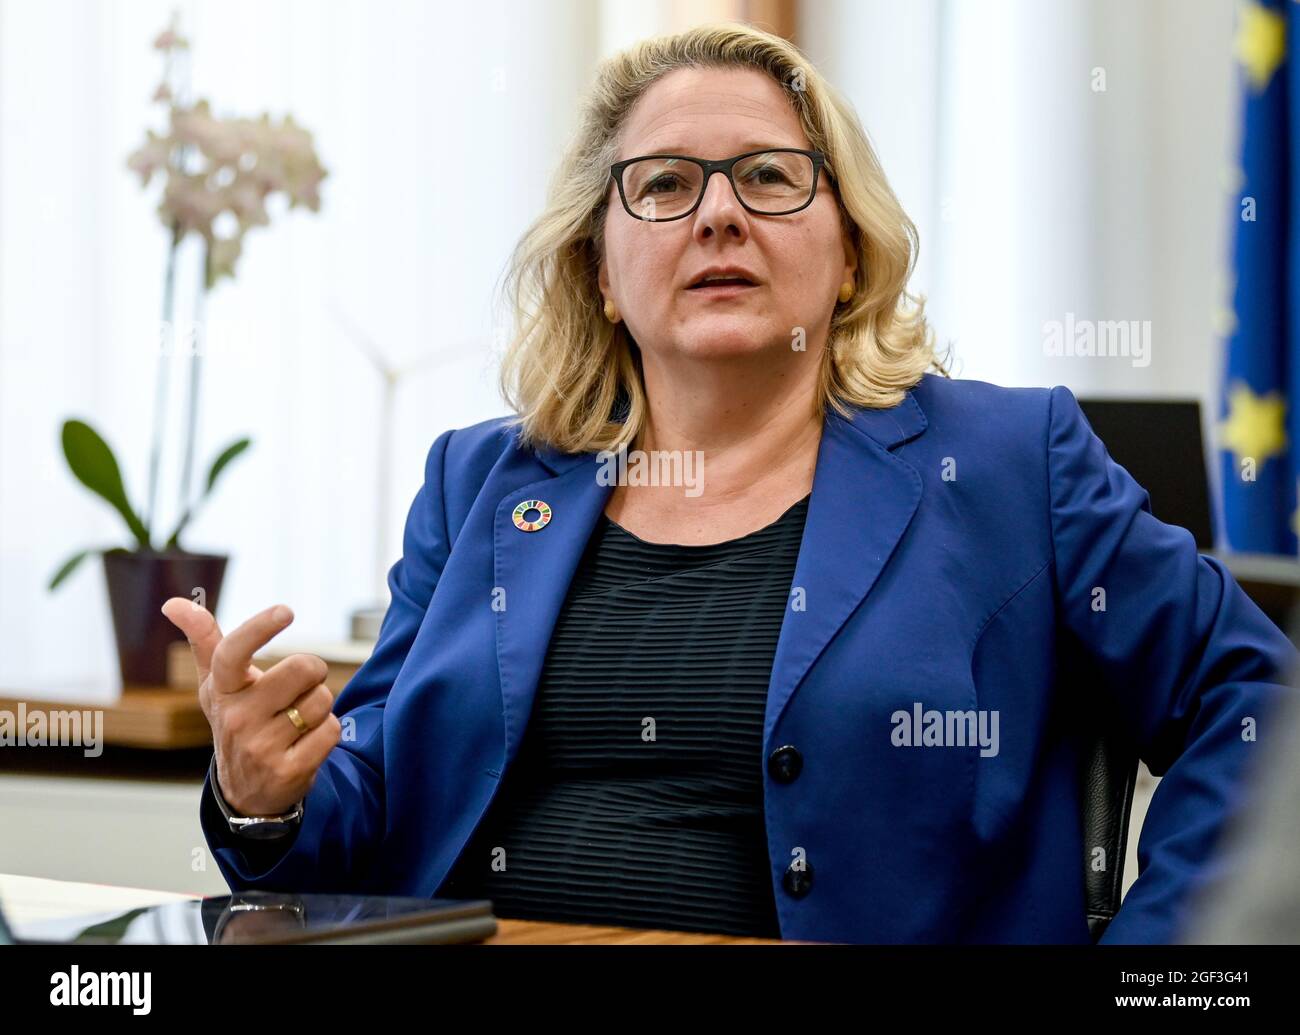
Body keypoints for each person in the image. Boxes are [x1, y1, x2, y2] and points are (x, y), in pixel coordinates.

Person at [162, 22, 1298, 944]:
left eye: (767, 176)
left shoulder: (1009, 460)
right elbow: (368, 824)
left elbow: (1255, 706)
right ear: (601, 268)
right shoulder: (480, 482)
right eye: (662, 184)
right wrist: (268, 792)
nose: (717, 213)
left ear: (846, 248)